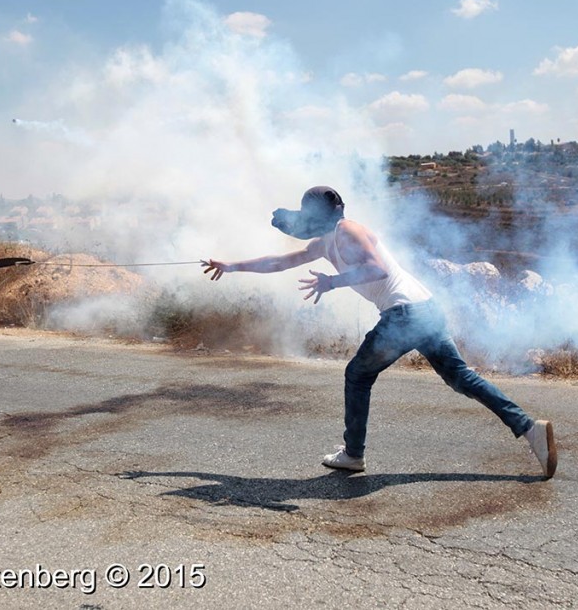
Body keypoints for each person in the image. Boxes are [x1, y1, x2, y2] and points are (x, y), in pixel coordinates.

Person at [202, 186, 557, 479]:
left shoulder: (348, 232)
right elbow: (280, 262)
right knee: (460, 378)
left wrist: (332, 282)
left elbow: (375, 269)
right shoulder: (324, 242)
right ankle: (529, 429)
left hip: (404, 313)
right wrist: (231, 266)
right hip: (424, 309)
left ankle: (353, 454)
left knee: (357, 374)